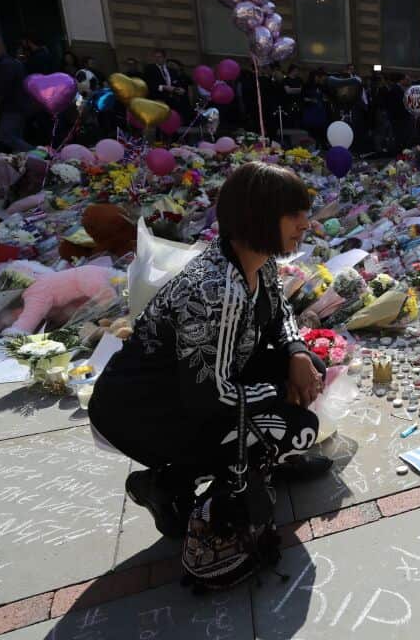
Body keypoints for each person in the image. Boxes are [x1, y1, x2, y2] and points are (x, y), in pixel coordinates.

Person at [89, 162, 330, 537]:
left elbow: (279, 310)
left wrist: (296, 351)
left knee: (309, 366)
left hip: (203, 383)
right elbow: (209, 396)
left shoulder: (256, 261)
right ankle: (168, 485)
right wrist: (281, 393)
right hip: (147, 412)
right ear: (259, 216)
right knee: (295, 427)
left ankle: (262, 461)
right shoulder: (215, 290)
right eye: (293, 214)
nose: (305, 223)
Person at [0, 35, 31, 152]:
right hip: (17, 107)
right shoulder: (10, 62)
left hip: (11, 108)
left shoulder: (5, 64)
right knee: (15, 139)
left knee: (7, 137)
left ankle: (41, 156)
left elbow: (3, 88)